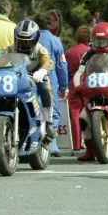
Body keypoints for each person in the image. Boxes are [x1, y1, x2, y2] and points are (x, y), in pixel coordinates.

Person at [5, 19, 57, 145]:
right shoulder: (10, 49)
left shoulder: (40, 49)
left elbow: (48, 62)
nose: (23, 46)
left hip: (36, 77)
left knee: (45, 87)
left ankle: (48, 122)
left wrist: (42, 71)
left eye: (27, 43)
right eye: (20, 42)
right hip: (16, 78)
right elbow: (1, 61)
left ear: (35, 40)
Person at [73, 22, 108, 161]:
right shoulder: (88, 53)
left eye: (104, 41)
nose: (101, 44)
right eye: (98, 41)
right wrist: (78, 85)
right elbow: (79, 71)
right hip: (94, 91)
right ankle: (90, 151)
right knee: (83, 118)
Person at [34, 13, 69, 157]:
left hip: (32, 77)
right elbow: (61, 64)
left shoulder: (32, 38)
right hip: (50, 77)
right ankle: (51, 146)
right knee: (51, 111)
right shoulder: (56, 41)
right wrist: (64, 85)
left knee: (34, 110)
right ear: (51, 26)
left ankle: (34, 145)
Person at [65, 26, 91, 152]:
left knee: (74, 115)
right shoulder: (90, 51)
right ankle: (90, 141)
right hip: (88, 83)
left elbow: (66, 70)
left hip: (73, 84)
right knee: (89, 111)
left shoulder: (69, 52)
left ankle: (76, 144)